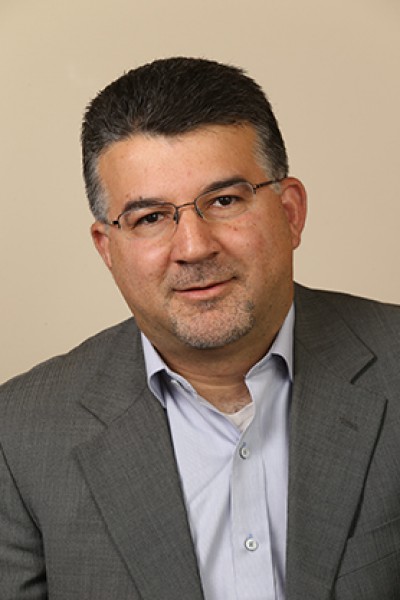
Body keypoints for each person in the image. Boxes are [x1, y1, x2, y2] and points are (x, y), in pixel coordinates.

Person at [0, 57, 399, 600]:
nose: (194, 248)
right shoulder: (21, 436)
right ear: (107, 249)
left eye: (225, 201)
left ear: (290, 212)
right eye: (149, 217)